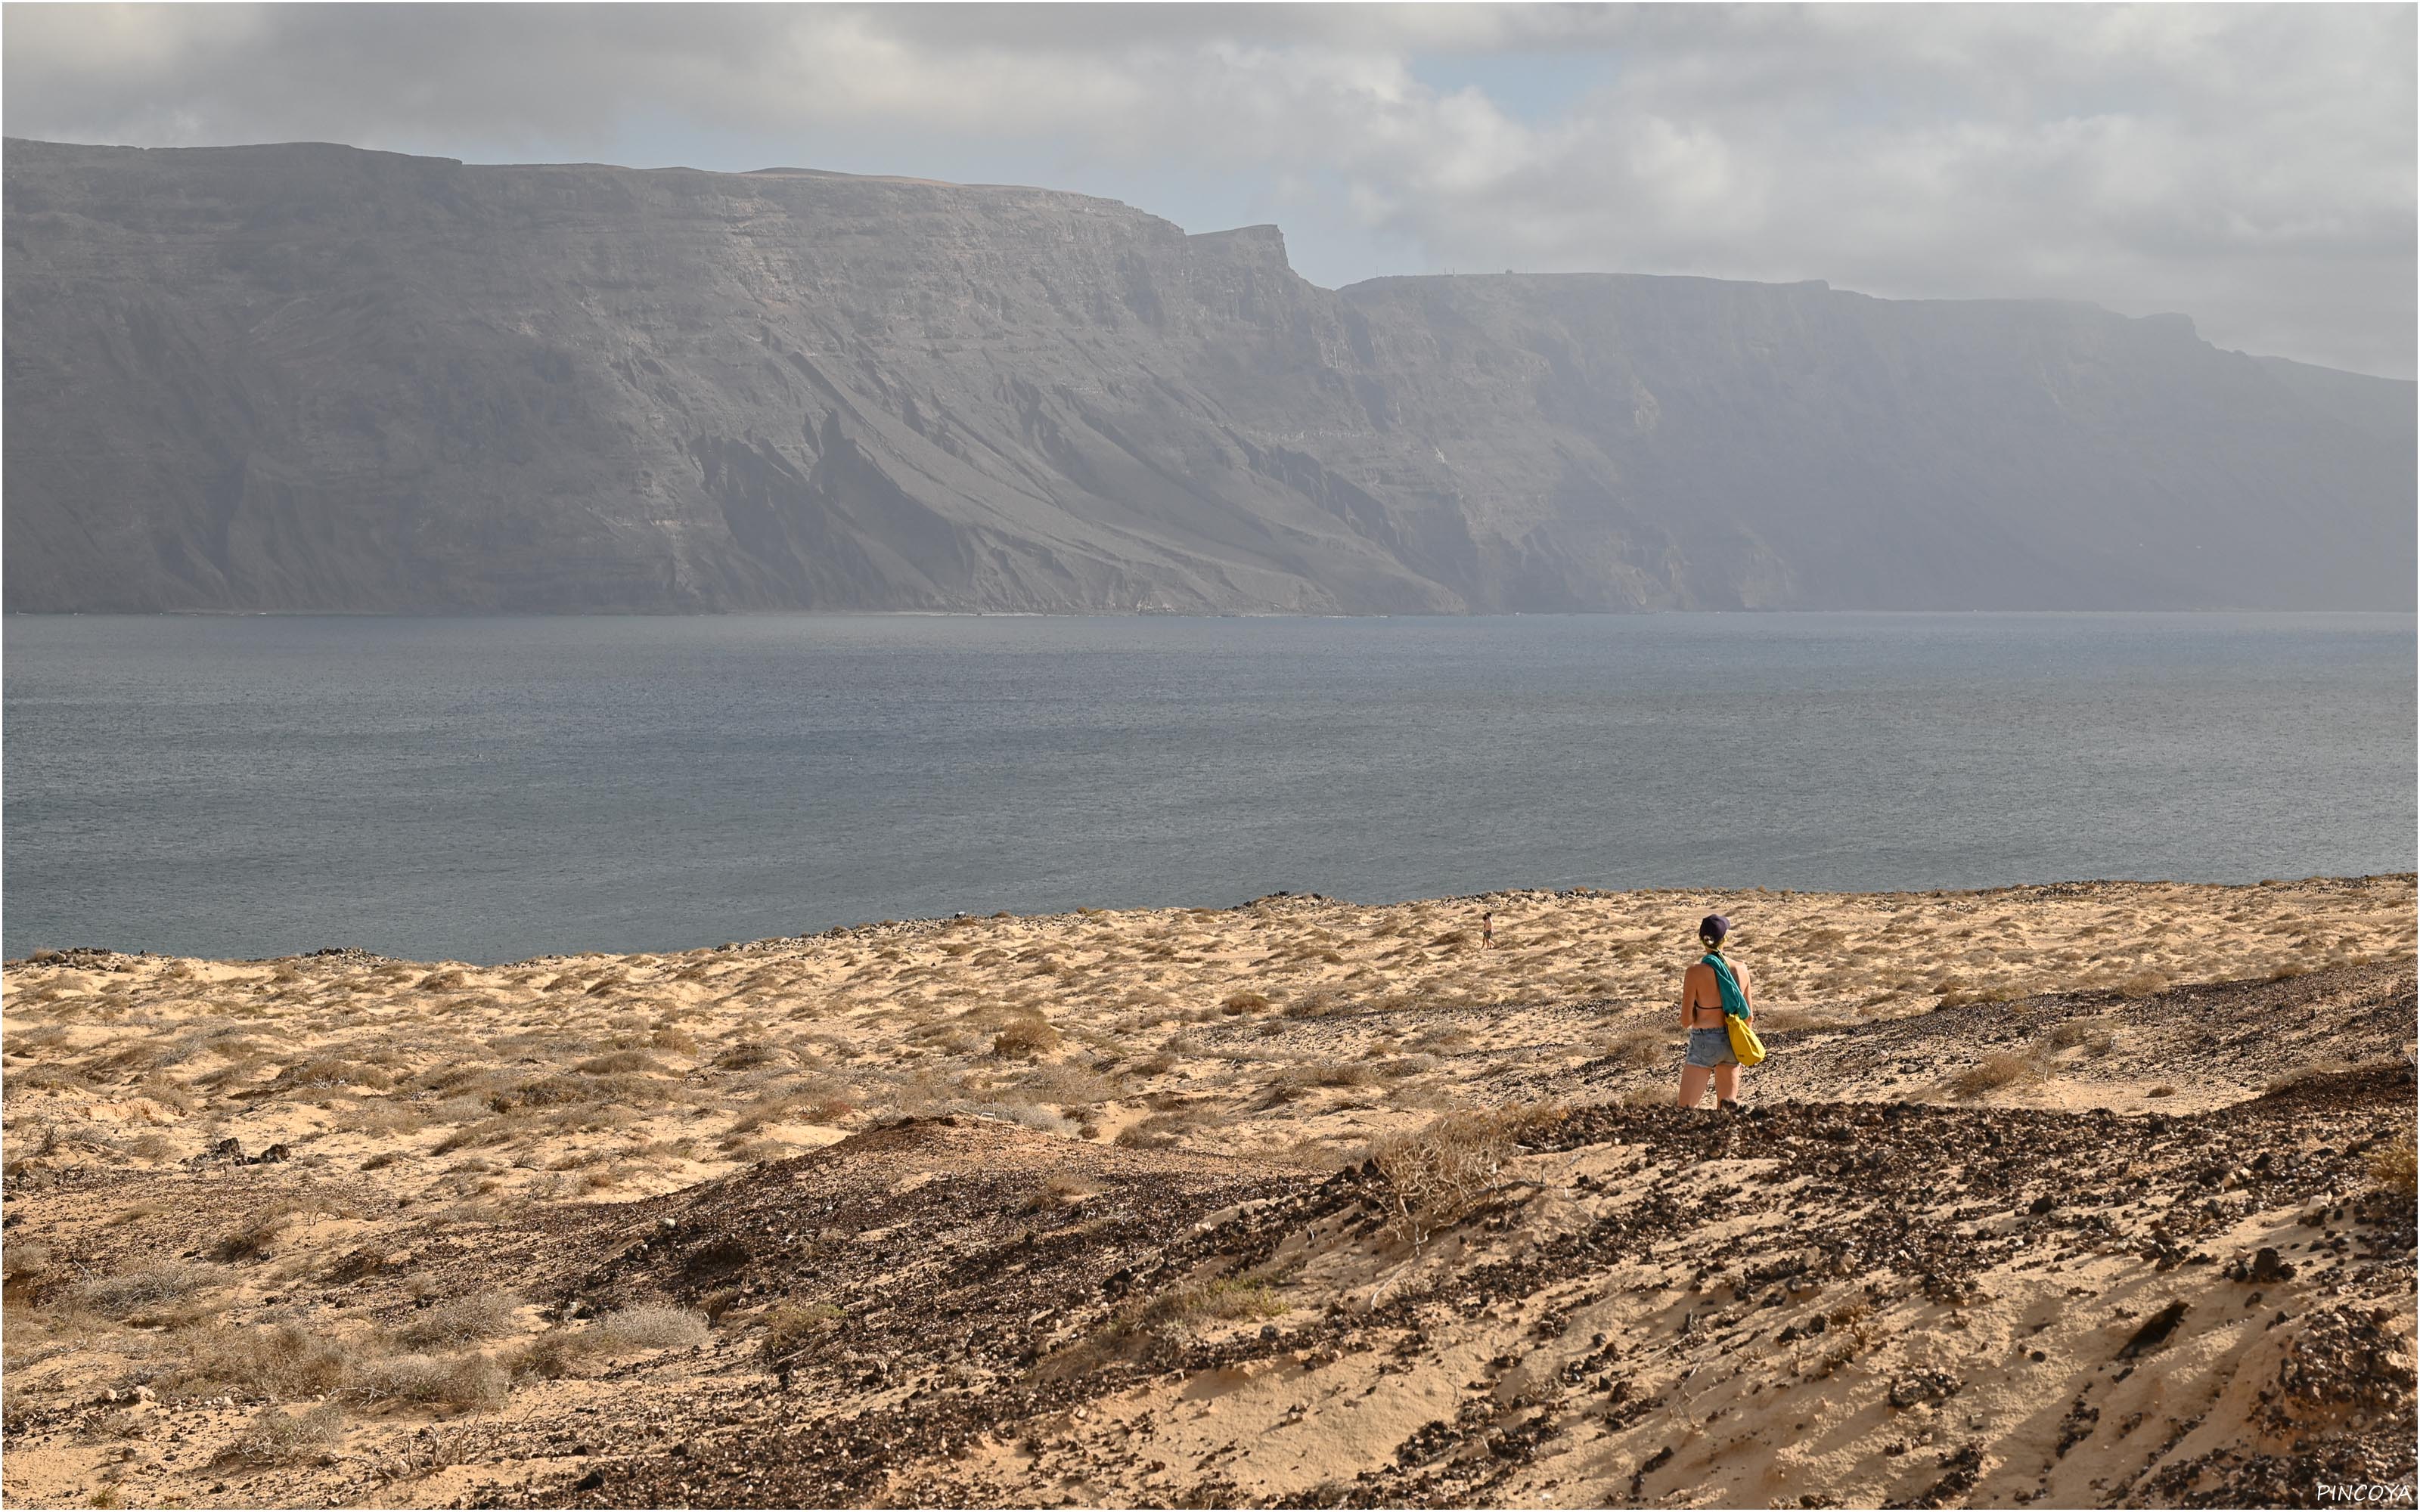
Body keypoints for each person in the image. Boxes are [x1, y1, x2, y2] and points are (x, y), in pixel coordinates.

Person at [1677, 913, 1752, 1111]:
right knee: (1728, 1110)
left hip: (1704, 1042)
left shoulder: (1694, 972)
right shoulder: (1741, 969)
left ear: (1702, 940)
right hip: (1732, 1040)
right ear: (1725, 939)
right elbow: (1749, 1017)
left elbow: (1686, 1021)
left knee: (1685, 1109)